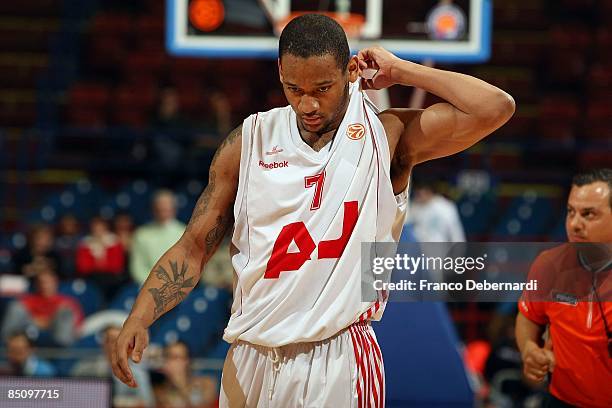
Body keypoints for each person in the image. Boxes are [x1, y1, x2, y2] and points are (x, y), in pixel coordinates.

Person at [112, 14, 514, 407]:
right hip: (250, 353)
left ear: (350, 71)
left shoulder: (386, 135)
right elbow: (194, 246)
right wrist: (141, 315)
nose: (307, 104)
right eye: (293, 88)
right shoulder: (248, 141)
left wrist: (403, 70)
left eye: (322, 88)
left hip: (337, 356)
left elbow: (495, 107)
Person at [516, 168, 612, 407]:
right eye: (571, 212)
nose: (575, 224)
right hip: (562, 401)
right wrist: (529, 348)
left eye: (588, 214)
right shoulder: (549, 264)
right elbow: (529, 316)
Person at [1, 264, 83, 347]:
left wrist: (47, 321)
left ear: (55, 282)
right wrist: (41, 321)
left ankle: (63, 353)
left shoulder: (68, 302)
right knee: (15, 307)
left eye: (48, 282)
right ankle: (7, 345)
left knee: (65, 312)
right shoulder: (29, 300)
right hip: (28, 336)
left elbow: (77, 327)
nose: (45, 285)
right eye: (41, 282)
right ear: (36, 284)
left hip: (59, 338)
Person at [72, 325, 154, 407]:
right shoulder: (85, 368)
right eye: (112, 341)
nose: (116, 345)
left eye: (120, 341)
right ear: (104, 344)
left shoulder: (136, 374)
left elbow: (146, 403)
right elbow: (74, 397)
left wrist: (113, 403)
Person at [129, 190, 186, 285]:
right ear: (153, 210)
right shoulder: (141, 234)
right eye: (159, 209)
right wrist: (153, 283)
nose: (163, 213)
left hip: (178, 287)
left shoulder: (184, 232)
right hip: (147, 286)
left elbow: (188, 264)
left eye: (166, 209)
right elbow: (137, 266)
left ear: (174, 209)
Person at [152, 341, 218, 408]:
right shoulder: (159, 390)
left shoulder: (206, 383)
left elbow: (207, 404)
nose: (178, 362)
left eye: (181, 357)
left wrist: (179, 382)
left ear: (188, 360)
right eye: (171, 357)